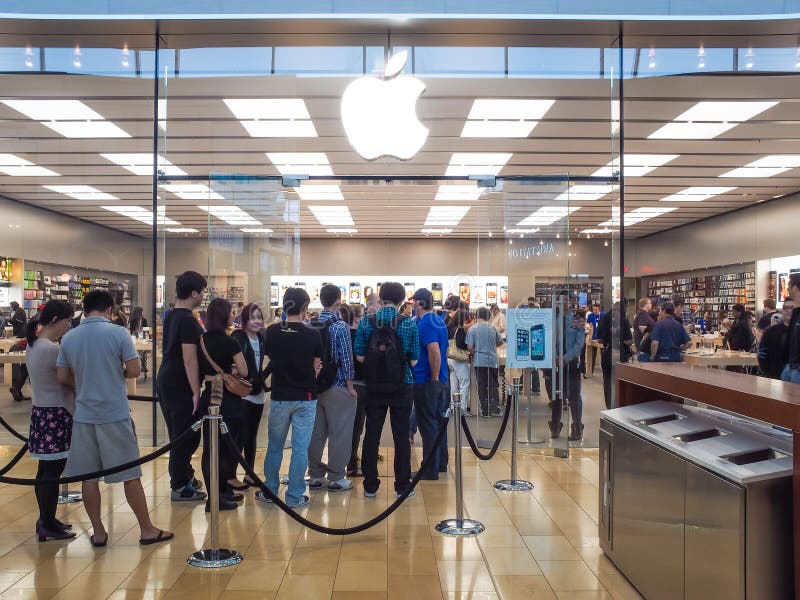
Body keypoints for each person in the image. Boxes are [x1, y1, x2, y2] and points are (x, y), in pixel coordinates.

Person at [57, 290, 173, 547]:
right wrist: (112, 371)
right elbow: (133, 370)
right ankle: (146, 529)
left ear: (84, 309)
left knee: (89, 477)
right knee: (129, 474)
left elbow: (63, 377)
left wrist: (85, 381)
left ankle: (98, 533)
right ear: (110, 309)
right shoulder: (118, 333)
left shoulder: (69, 337)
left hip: (84, 414)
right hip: (114, 413)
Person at [257, 287, 322, 509]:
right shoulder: (313, 334)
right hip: (306, 396)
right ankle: (294, 496)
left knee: (274, 446)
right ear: (305, 308)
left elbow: (268, 360)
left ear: (284, 305)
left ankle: (271, 491)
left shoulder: (272, 332)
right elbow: (317, 364)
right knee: (300, 449)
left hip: (280, 395)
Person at [355, 282, 419, 498]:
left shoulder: (367, 321)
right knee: (401, 435)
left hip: (373, 385)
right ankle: (402, 485)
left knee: (372, 433)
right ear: (402, 300)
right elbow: (414, 360)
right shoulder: (408, 324)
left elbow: (360, 356)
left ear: (381, 298)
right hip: (402, 384)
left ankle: (370, 486)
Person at [26, 301, 76, 541]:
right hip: (56, 413)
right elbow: (66, 378)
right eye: (67, 321)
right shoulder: (51, 349)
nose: (68, 327)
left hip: (41, 413)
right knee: (52, 472)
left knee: (45, 470)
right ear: (56, 320)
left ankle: (46, 518)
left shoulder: (35, 345)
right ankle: (46, 522)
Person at [156, 271, 207, 502]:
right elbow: (189, 358)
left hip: (167, 379)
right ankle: (179, 484)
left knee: (180, 432)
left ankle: (185, 475)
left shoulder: (172, 315)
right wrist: (196, 390)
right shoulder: (187, 319)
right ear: (194, 293)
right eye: (202, 292)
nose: (203, 296)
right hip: (179, 382)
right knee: (184, 436)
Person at [197, 298, 248, 511]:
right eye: (231, 312)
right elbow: (244, 371)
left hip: (208, 397)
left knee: (210, 450)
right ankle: (219, 496)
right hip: (229, 402)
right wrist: (231, 372)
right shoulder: (230, 342)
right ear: (224, 317)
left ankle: (218, 494)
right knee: (227, 449)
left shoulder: (201, 340)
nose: (234, 315)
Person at [307, 284, 358, 492]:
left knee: (316, 432)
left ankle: (316, 475)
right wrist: (350, 386)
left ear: (320, 300)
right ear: (338, 300)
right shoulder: (341, 327)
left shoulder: (310, 324)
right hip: (337, 386)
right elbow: (346, 359)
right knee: (340, 432)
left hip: (314, 386)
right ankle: (337, 477)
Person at [411, 288, 449, 480]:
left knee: (428, 425)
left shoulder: (425, 323)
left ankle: (429, 469)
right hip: (442, 380)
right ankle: (441, 463)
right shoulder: (439, 320)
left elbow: (434, 351)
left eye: (414, 301)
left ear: (418, 302)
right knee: (439, 422)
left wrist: (433, 379)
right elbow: (444, 348)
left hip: (427, 381)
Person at [230, 303, 267, 488]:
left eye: (259, 317)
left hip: (258, 394)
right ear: (244, 320)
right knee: (240, 437)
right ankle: (230, 475)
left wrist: (262, 379)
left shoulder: (262, 338)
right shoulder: (239, 337)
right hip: (243, 394)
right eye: (252, 317)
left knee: (251, 436)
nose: (257, 321)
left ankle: (250, 474)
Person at [342, 304, 368, 478]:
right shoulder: (361, 335)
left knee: (342, 427)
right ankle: (351, 464)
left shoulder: (341, 335)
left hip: (341, 385)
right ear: (358, 317)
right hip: (359, 385)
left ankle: (341, 462)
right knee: (357, 427)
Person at [466, 306, 503, 417]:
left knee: (481, 385)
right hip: (492, 360)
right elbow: (500, 342)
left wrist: (474, 352)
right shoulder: (492, 328)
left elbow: (470, 347)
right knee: (493, 384)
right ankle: (495, 409)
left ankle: (484, 409)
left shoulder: (472, 329)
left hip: (479, 361)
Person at [597, 301, 633, 409]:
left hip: (607, 354)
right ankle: (619, 408)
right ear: (623, 308)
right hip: (620, 355)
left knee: (607, 383)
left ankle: (610, 407)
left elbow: (599, 339)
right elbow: (629, 341)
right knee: (620, 382)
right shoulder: (623, 321)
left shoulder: (604, 317)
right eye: (626, 309)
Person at [758, 299, 793, 379]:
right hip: (775, 377)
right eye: (786, 308)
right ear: (782, 310)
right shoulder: (770, 332)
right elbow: (762, 355)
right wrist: (769, 375)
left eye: (792, 308)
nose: (789, 311)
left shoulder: (796, 331)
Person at [447, 308, 471, 416]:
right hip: (459, 359)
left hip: (450, 358)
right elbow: (461, 344)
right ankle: (462, 409)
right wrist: (468, 348)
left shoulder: (450, 327)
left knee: (454, 384)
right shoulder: (459, 329)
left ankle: (453, 407)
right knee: (464, 383)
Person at [781, 274, 800, 384]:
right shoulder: (796, 312)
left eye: (789, 285)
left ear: (795, 287)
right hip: (790, 367)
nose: (787, 288)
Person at [129, 306, 149, 378]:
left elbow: (146, 329)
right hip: (137, 337)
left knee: (139, 349)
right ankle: (141, 362)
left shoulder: (141, 320)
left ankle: (140, 362)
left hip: (138, 337)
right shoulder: (135, 320)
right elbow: (132, 329)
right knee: (139, 349)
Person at [585, 304, 603, 376]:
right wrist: (590, 336)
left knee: (603, 355)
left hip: (601, 338)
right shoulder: (590, 316)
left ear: (599, 309)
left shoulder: (603, 315)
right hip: (593, 338)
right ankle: (590, 372)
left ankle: (604, 371)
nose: (594, 311)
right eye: (593, 309)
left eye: (596, 309)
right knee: (592, 355)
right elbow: (590, 327)